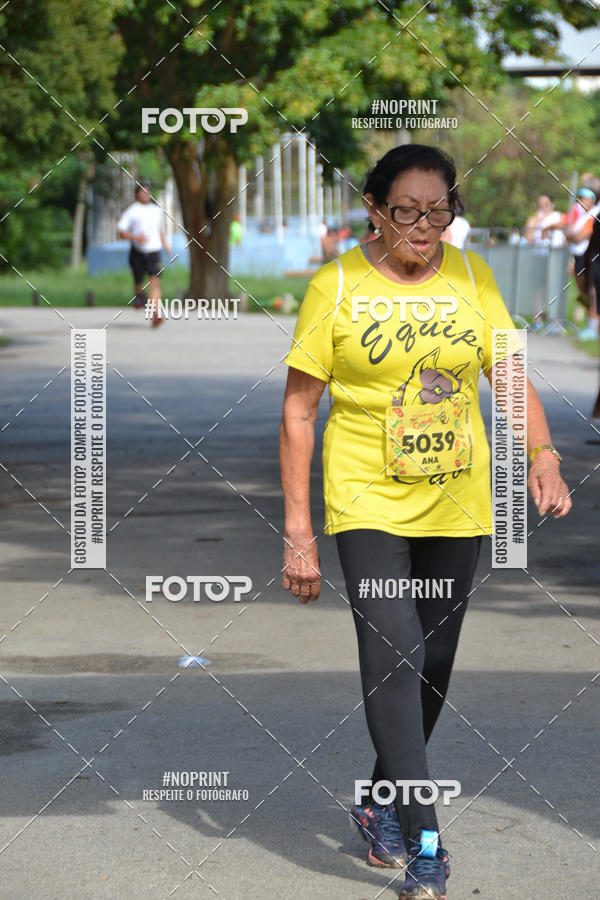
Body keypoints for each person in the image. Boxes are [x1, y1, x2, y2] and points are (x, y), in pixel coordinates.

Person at [279, 144, 571, 900]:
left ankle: (379, 801)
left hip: (456, 501)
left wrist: (541, 454)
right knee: (396, 656)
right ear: (374, 209)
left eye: (438, 212)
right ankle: (427, 846)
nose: (423, 227)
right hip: (366, 499)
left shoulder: (472, 277)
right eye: (406, 211)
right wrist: (300, 530)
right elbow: (300, 411)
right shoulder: (335, 285)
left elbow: (508, 373)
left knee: (432, 665)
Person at [117, 180, 171, 328]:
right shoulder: (132, 211)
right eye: (142, 192)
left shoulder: (156, 210)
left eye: (147, 192)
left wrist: (165, 244)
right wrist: (136, 238)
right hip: (138, 252)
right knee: (139, 283)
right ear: (137, 195)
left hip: (154, 250)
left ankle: (156, 314)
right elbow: (121, 232)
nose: (145, 195)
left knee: (155, 282)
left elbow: (158, 229)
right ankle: (139, 296)